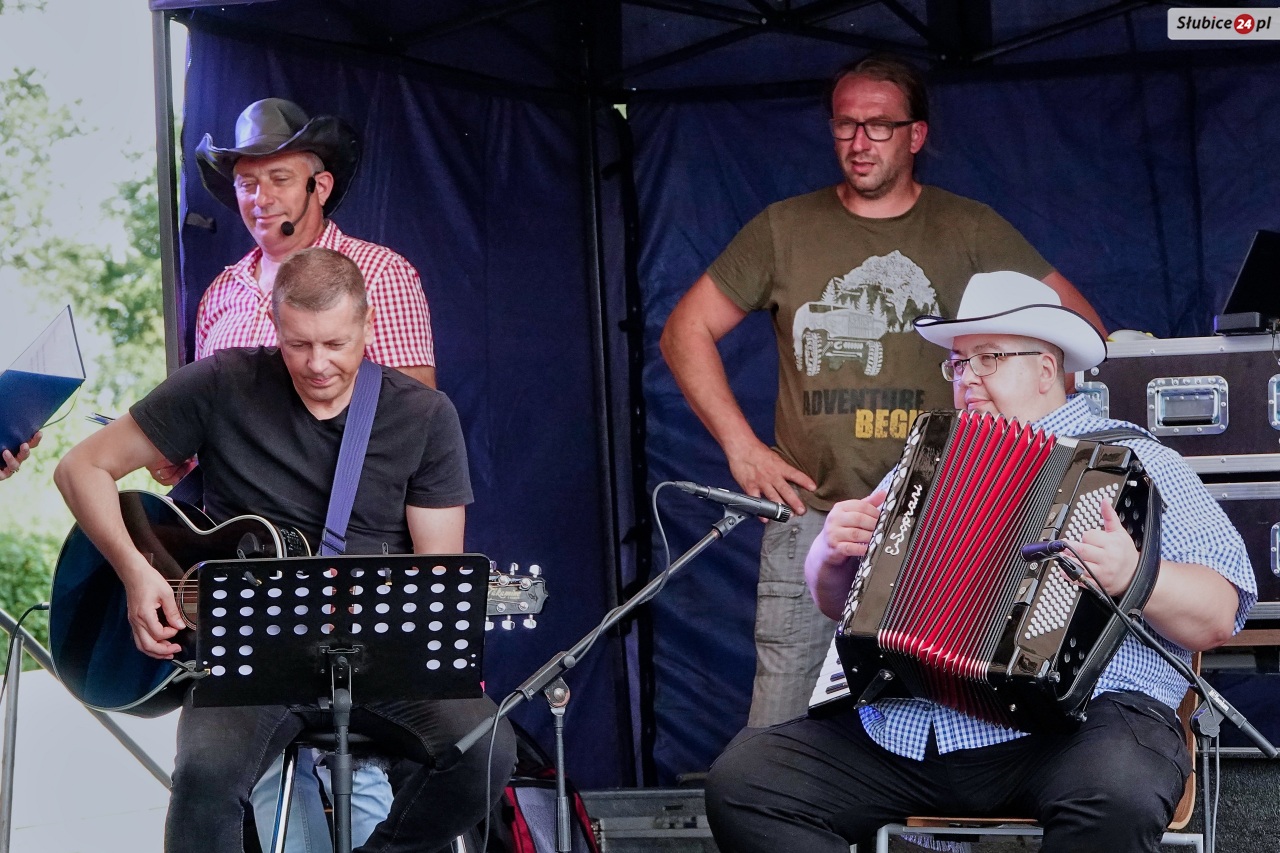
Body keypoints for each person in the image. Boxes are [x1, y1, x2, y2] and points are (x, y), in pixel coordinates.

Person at [704, 271, 1256, 853]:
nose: (968, 376)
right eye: (958, 362)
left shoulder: (1139, 461)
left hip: (1078, 733)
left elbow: (1219, 614)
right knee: (747, 782)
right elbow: (845, 605)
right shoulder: (923, 463)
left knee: (1117, 790)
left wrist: (1136, 577)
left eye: (989, 357)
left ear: (1046, 369)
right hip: (917, 733)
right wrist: (828, 555)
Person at [659, 54, 1107, 728]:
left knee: (941, 719)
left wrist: (1027, 459)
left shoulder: (969, 228)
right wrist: (740, 447)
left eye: (879, 126)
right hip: (815, 518)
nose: (860, 142)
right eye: (845, 125)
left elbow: (1077, 329)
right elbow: (684, 330)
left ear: (915, 135)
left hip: (947, 522)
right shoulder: (783, 228)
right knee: (778, 731)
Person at [54, 247, 515, 853]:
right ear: (274, 326)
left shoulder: (423, 416)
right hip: (247, 657)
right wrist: (137, 572)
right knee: (203, 780)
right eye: (299, 345)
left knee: (485, 749)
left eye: (336, 344)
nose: (318, 364)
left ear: (369, 325)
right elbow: (80, 468)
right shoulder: (222, 382)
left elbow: (438, 577)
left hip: (375, 658)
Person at [193, 97, 436, 847]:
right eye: (246, 183)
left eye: (278, 179)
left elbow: (416, 422)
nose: (259, 197)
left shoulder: (381, 275)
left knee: (357, 768)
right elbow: (207, 430)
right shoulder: (222, 294)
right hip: (250, 571)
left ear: (319, 186)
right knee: (255, 770)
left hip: (350, 562)